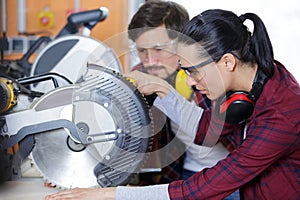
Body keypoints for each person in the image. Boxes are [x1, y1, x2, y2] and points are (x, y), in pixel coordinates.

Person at [45, 8, 300, 200]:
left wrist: (112, 194)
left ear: (227, 62)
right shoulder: (254, 82)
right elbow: (205, 129)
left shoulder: (283, 113)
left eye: (193, 71)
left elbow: (207, 186)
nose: (189, 82)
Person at [126, 0, 230, 187]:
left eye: (159, 49)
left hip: (229, 172)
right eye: (142, 51)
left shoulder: (215, 70)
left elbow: (218, 132)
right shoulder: (141, 75)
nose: (150, 61)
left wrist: (166, 91)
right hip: (185, 173)